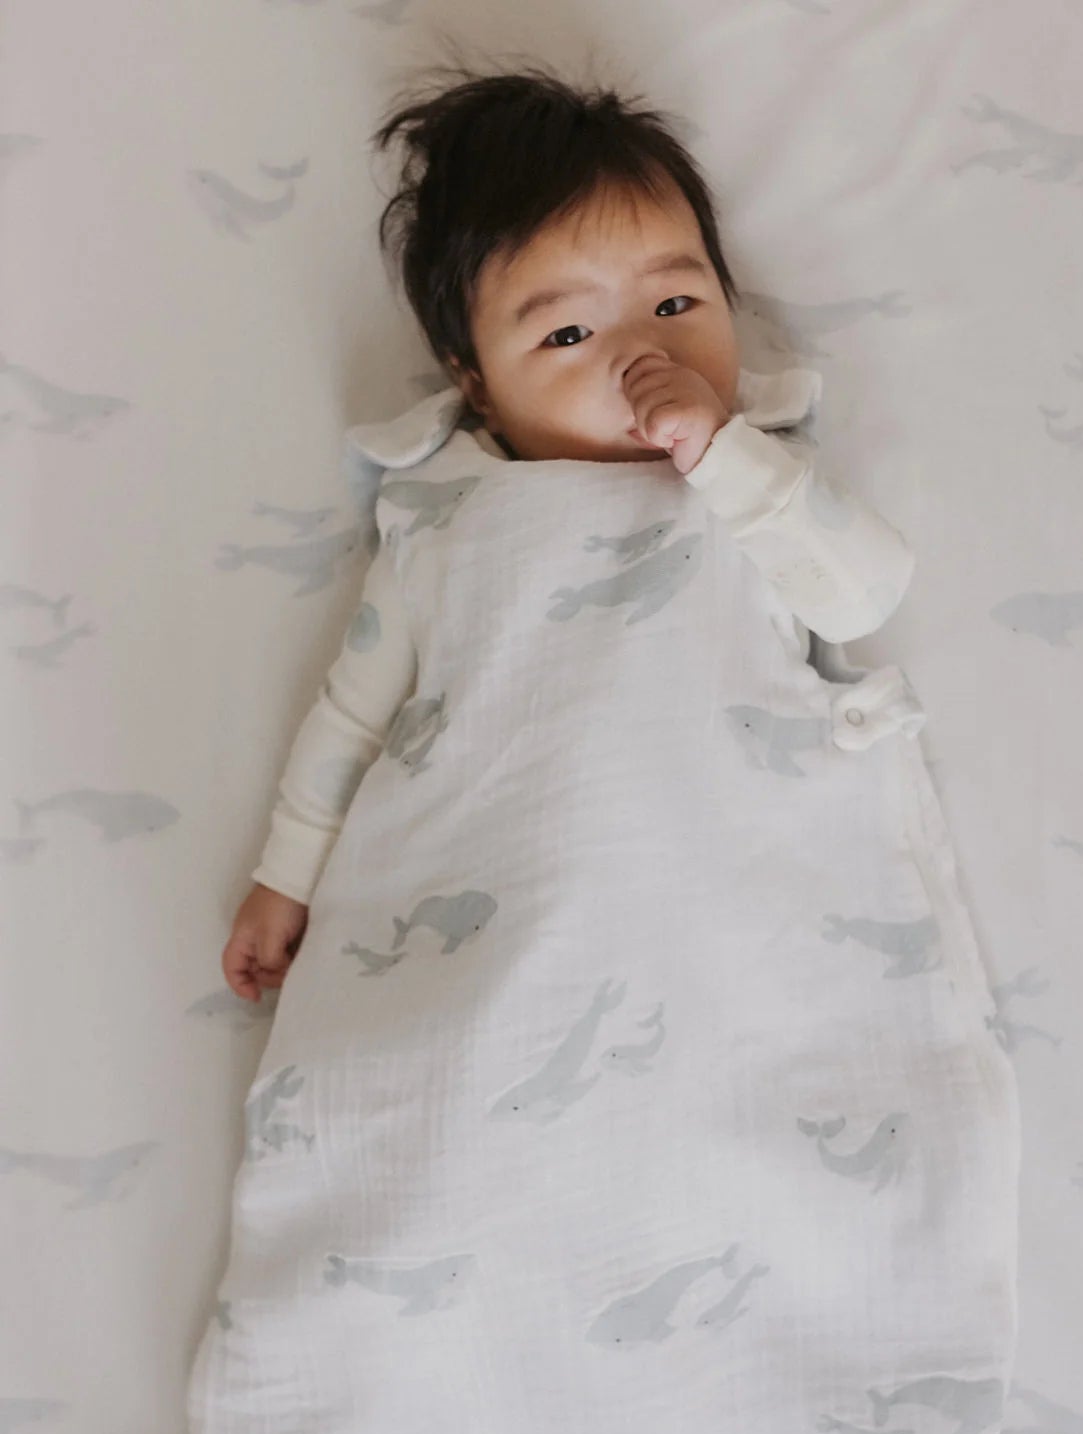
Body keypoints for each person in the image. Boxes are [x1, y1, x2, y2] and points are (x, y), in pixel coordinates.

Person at [222, 52, 915, 1003]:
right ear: (476, 384)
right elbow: (353, 714)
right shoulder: (448, 512)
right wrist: (287, 875)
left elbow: (862, 597)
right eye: (566, 335)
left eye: (675, 303)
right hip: (510, 885)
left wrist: (725, 454)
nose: (643, 354)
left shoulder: (760, 470)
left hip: (729, 870)